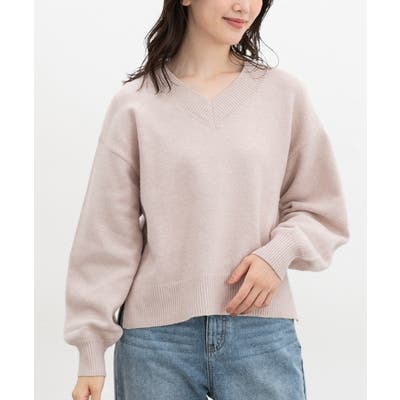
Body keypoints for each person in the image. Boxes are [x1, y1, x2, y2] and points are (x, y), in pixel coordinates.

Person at [64, 0, 350, 399]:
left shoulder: (283, 94)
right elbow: (106, 232)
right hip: (156, 343)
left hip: (260, 331)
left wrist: (277, 254)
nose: (243, 6)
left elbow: (322, 209)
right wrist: (91, 349)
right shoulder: (135, 103)